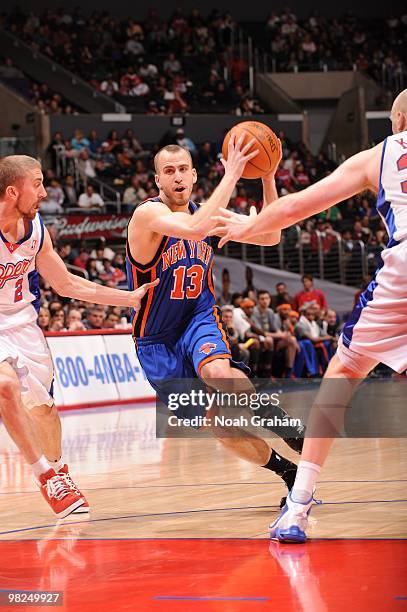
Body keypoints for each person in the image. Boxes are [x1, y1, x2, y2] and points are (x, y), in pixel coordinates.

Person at [211, 88, 407, 542]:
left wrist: (247, 225)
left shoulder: (378, 155)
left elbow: (299, 205)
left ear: (397, 121)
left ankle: (297, 508)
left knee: (343, 371)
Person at [126, 137, 304, 502]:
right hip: (156, 340)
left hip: (197, 316)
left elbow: (271, 235)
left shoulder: (208, 211)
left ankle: (273, 416)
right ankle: (290, 474)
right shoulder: (147, 215)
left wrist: (267, 177)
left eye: (182, 170)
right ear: (157, 180)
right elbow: (193, 228)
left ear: (193, 176)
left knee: (218, 373)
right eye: (168, 171)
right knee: (221, 426)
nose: (177, 177)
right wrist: (234, 174)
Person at [0, 155, 158, 518]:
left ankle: (58, 469)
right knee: (5, 387)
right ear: (12, 191)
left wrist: (128, 299)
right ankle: (47, 478)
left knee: (43, 411)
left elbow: (67, 284)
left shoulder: (36, 230)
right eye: (37, 184)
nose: (44, 192)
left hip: (23, 324)